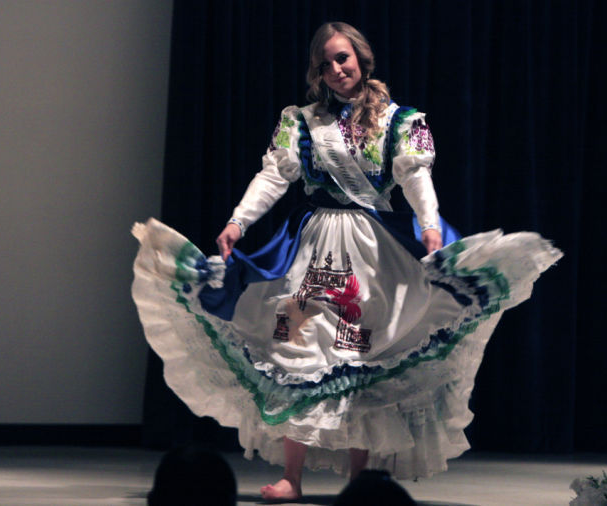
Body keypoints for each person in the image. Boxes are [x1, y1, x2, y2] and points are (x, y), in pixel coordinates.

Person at [132, 21, 561, 502]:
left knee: (357, 355)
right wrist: (238, 222)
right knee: (293, 348)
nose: (337, 69)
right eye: (326, 62)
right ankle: (291, 478)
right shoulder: (301, 120)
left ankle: (360, 482)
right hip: (312, 247)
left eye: (344, 58)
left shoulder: (400, 121)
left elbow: (417, 179)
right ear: (317, 70)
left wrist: (432, 228)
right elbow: (274, 176)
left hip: (373, 254)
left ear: (362, 59)